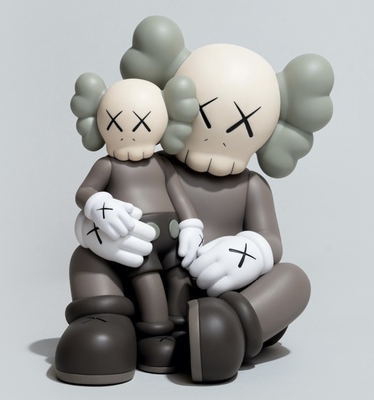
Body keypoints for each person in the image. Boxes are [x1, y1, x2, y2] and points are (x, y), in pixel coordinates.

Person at [119, 16, 334, 382]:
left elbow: (270, 240)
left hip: (227, 295)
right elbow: (120, 195)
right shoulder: (156, 167)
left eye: (244, 123)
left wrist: (251, 252)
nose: (218, 134)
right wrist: (101, 221)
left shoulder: (253, 186)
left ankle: (225, 331)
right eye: (202, 113)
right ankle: (191, 333)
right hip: (157, 289)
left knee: (295, 280)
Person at [55, 74, 203, 385]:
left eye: (142, 122)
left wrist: (191, 224)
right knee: (149, 283)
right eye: (115, 121)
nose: (129, 130)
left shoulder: (163, 164)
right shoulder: (107, 165)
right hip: (134, 238)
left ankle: (182, 329)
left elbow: (179, 196)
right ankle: (154, 336)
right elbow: (84, 192)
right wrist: (97, 203)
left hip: (173, 238)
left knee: (179, 279)